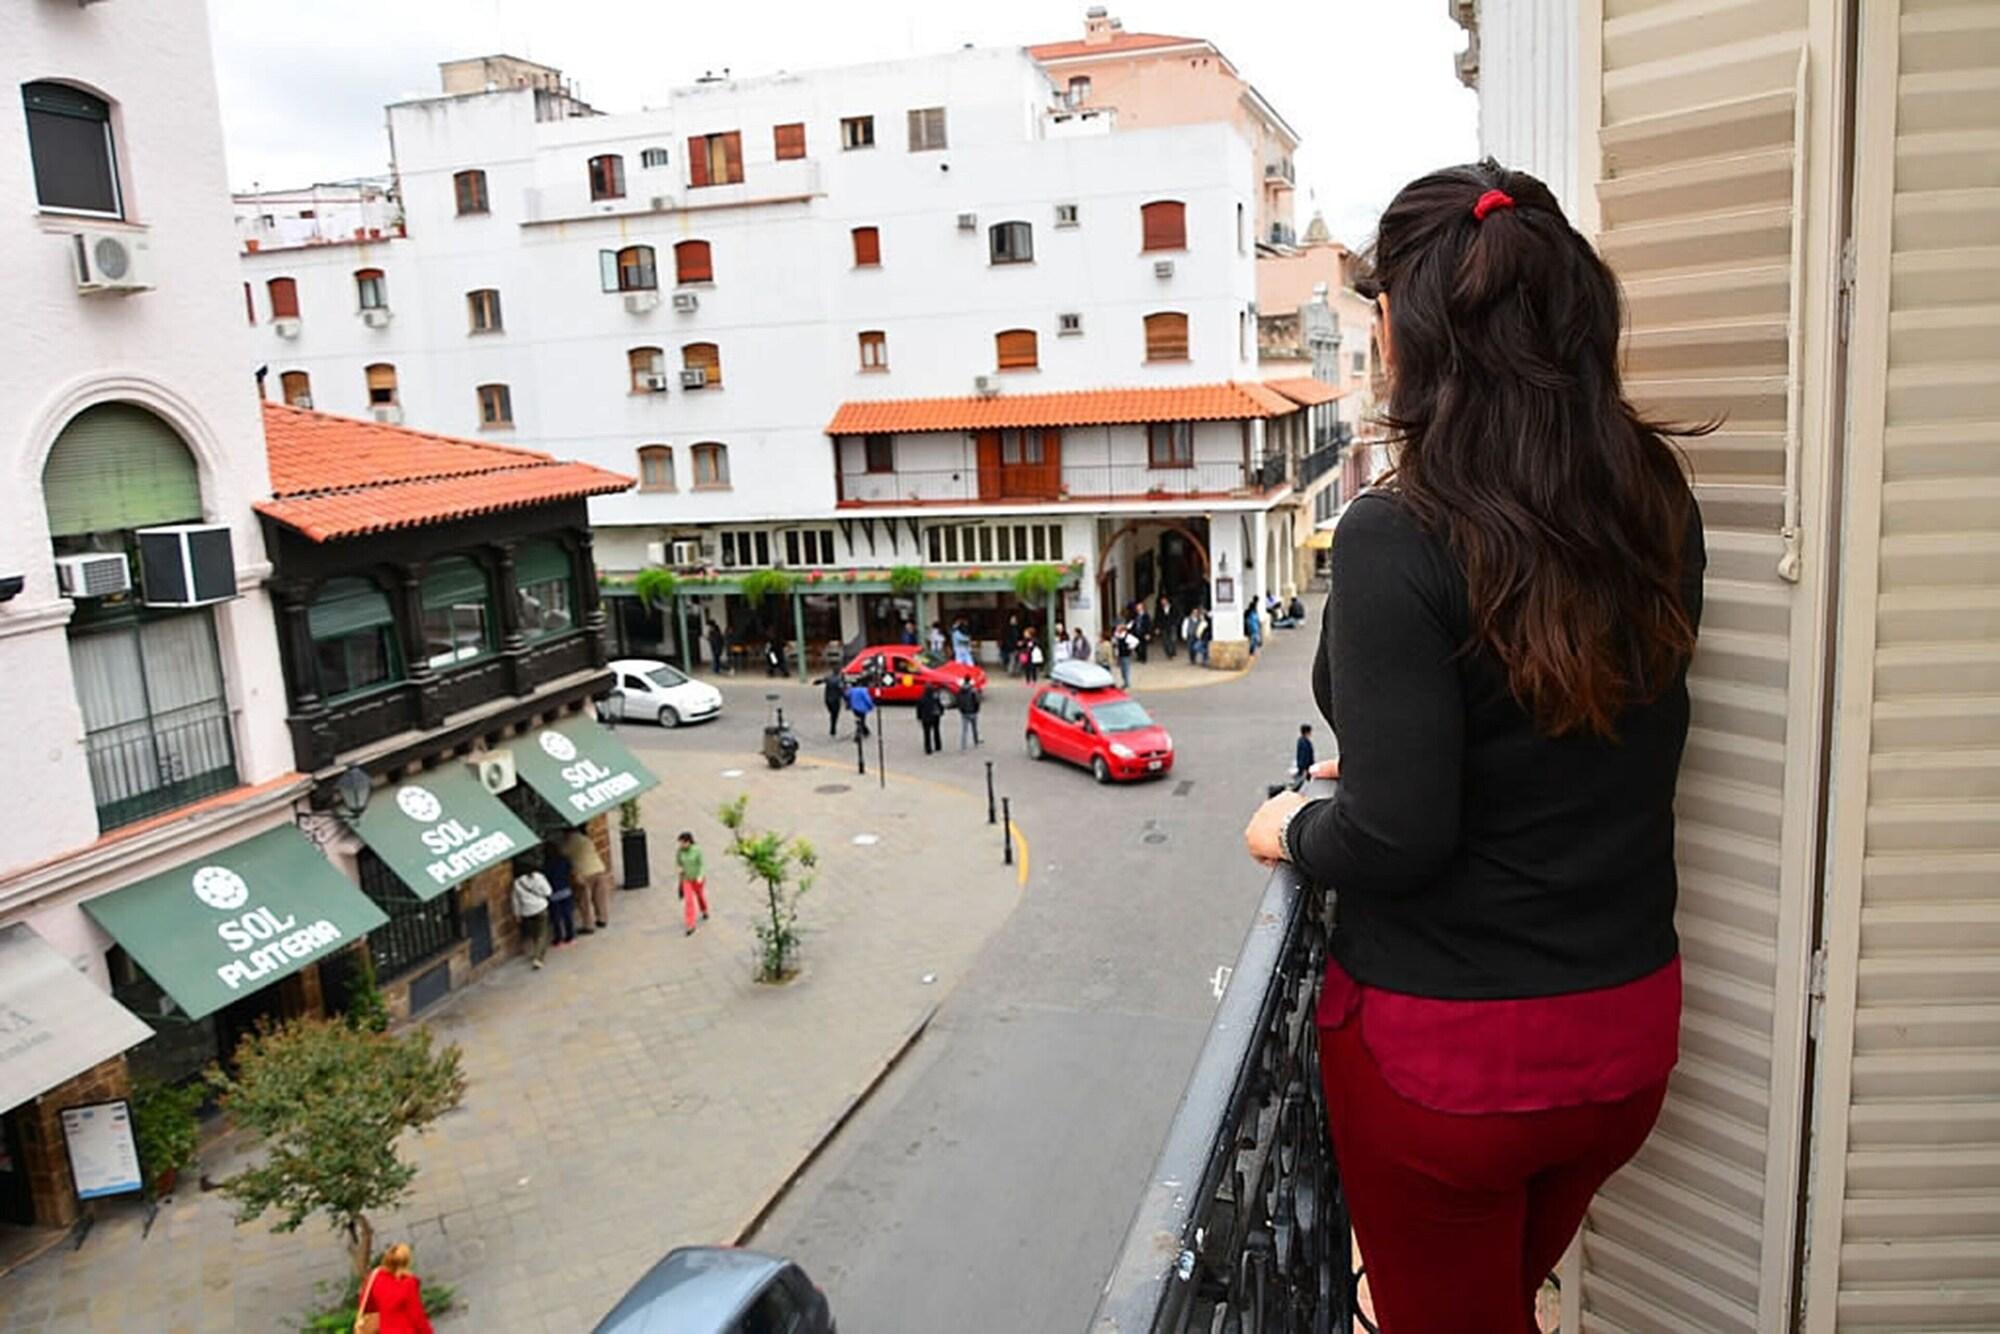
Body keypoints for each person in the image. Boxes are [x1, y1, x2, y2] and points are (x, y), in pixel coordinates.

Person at [1242, 161, 1706, 1332]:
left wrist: (1293, 822)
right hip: (1623, 1034)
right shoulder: (1651, 494)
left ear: (1405, 330)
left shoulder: (1397, 528)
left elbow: (1397, 834)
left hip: (1449, 1063)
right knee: (1489, 1304)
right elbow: (1550, 733)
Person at [357, 1242, 434, 1334]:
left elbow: (364, 1302)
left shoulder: (375, 1277)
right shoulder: (408, 1283)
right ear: (406, 1262)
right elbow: (417, 1316)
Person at [560, 826, 611, 932]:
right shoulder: (586, 839)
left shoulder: (567, 843)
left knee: (584, 900)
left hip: (583, 873)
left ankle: (588, 925)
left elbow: (562, 855)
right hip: (599, 868)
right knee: (600, 897)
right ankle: (602, 918)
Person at [510, 857, 552, 970]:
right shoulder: (538, 877)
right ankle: (538, 958)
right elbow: (548, 891)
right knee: (542, 934)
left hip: (527, 912)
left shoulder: (517, 883)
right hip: (541, 907)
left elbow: (515, 901)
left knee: (534, 934)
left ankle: (536, 952)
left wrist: (517, 914)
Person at [675, 831, 709, 937]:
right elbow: (678, 862)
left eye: (682, 843)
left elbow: (702, 864)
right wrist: (679, 868)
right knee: (689, 901)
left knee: (700, 896)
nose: (681, 845)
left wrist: (701, 876)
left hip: (697, 878)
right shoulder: (680, 851)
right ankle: (690, 924)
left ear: (688, 842)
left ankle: (704, 910)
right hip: (686, 879)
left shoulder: (697, 850)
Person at [544, 844, 577, 945]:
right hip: (566, 889)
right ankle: (570, 936)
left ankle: (558, 938)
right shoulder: (564, 860)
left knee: (556, 917)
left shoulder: (546, 864)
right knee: (568, 914)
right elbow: (570, 871)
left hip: (553, 892)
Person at [915, 683, 946, 755]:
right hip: (935, 716)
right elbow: (940, 706)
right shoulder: (935, 698)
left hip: (926, 718)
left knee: (927, 734)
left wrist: (919, 717)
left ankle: (928, 749)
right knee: (936, 731)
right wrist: (941, 713)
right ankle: (938, 746)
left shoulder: (921, 698)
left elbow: (919, 709)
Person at [955, 676, 982, 749]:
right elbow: (977, 701)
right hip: (973, 712)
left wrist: (961, 710)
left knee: (964, 730)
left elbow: (958, 702)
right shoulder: (973, 690)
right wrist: (977, 710)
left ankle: (963, 745)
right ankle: (976, 741)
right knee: (974, 728)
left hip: (964, 713)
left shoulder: (960, 691)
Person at [817, 671, 846, 738]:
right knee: (834, 715)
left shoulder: (828, 678)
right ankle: (833, 729)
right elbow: (842, 690)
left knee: (832, 714)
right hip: (835, 700)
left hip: (828, 699)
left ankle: (832, 729)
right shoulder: (840, 680)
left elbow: (820, 681)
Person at [1113, 620, 1135, 689]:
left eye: (1118, 628)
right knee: (1122, 670)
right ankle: (1125, 682)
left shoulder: (1127, 636)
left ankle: (1127, 682)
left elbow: (1135, 642)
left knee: (1126, 668)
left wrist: (1130, 649)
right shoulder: (1118, 636)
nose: (1117, 629)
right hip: (1120, 655)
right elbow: (1115, 640)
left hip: (1126, 654)